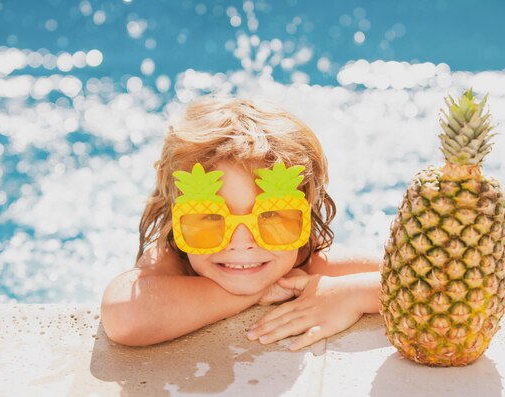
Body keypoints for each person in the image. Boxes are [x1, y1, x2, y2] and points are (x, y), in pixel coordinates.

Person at [101, 96, 381, 350]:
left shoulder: (305, 261)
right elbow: (124, 316)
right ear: (175, 222)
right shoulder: (173, 261)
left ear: (305, 219)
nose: (242, 242)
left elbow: (416, 274)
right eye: (210, 217)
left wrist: (352, 294)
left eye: (271, 215)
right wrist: (258, 293)